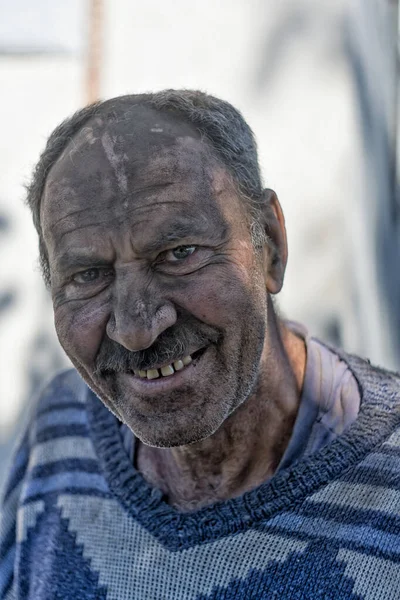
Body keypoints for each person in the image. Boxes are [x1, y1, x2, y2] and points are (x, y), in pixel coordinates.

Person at [1, 90, 399, 600]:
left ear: (271, 246)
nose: (137, 327)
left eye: (179, 253)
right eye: (89, 275)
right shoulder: (58, 427)